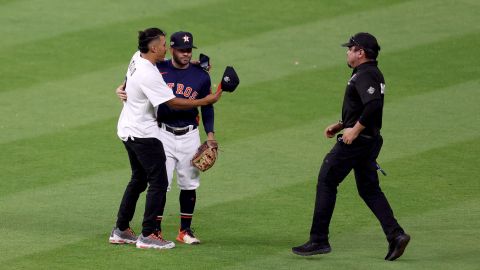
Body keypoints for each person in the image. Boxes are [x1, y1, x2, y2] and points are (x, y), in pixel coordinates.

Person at [292, 32, 410, 261]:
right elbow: (363, 106)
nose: (347, 52)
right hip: (369, 140)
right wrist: (341, 125)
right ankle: (396, 234)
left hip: (358, 142)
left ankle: (319, 239)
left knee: (327, 179)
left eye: (350, 49)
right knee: (368, 189)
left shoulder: (366, 74)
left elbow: (373, 105)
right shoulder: (369, 73)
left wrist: (354, 130)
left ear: (360, 53)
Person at [108, 28, 222, 250]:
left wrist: (197, 63)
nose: (165, 49)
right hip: (144, 134)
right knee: (158, 182)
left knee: (139, 179)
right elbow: (173, 103)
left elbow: (140, 75)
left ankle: (120, 230)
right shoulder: (149, 73)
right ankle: (149, 234)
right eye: (162, 45)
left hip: (127, 128)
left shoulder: (137, 56)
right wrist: (207, 100)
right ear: (153, 48)